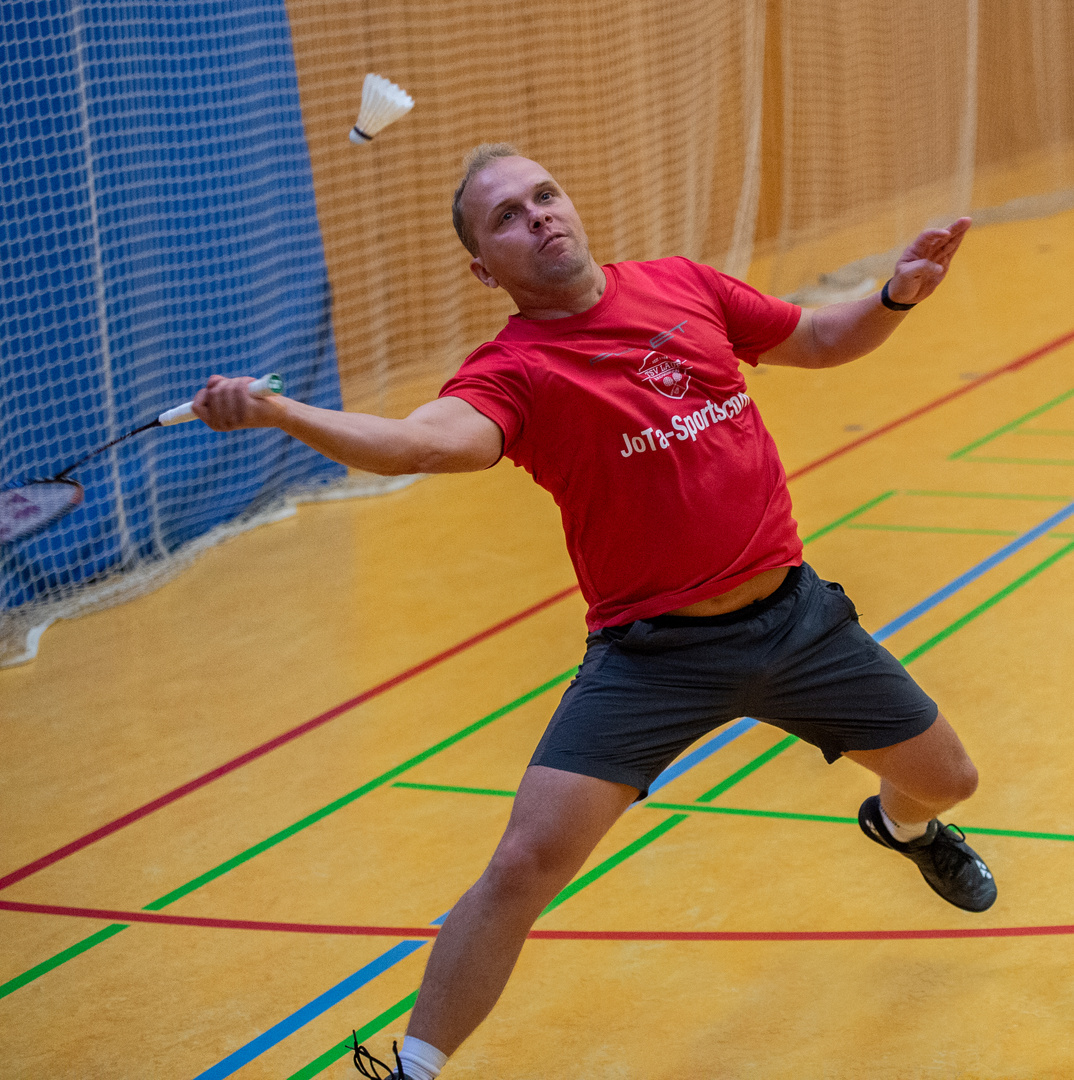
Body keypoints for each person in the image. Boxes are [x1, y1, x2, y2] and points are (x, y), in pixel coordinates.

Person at [193, 144, 995, 1080]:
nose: (537, 216)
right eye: (506, 216)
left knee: (949, 779)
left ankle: (903, 828)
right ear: (483, 268)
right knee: (524, 864)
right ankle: (412, 1068)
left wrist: (893, 297)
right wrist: (290, 416)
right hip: (651, 656)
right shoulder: (514, 372)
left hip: (794, 619)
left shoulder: (680, 286)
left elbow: (815, 339)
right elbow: (414, 444)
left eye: (543, 195)